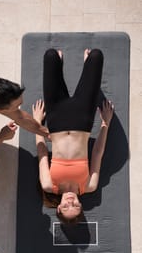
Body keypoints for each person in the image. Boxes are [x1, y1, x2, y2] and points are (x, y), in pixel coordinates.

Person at [32, 48, 114, 224]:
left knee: (51, 55)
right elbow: (97, 153)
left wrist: (37, 123)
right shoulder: (89, 186)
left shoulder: (49, 185)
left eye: (67, 207)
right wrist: (105, 124)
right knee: (96, 55)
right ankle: (87, 66)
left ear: (59, 207)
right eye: (76, 206)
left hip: (56, 118)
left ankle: (59, 64)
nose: (71, 202)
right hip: (82, 118)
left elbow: (42, 154)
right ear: (81, 206)